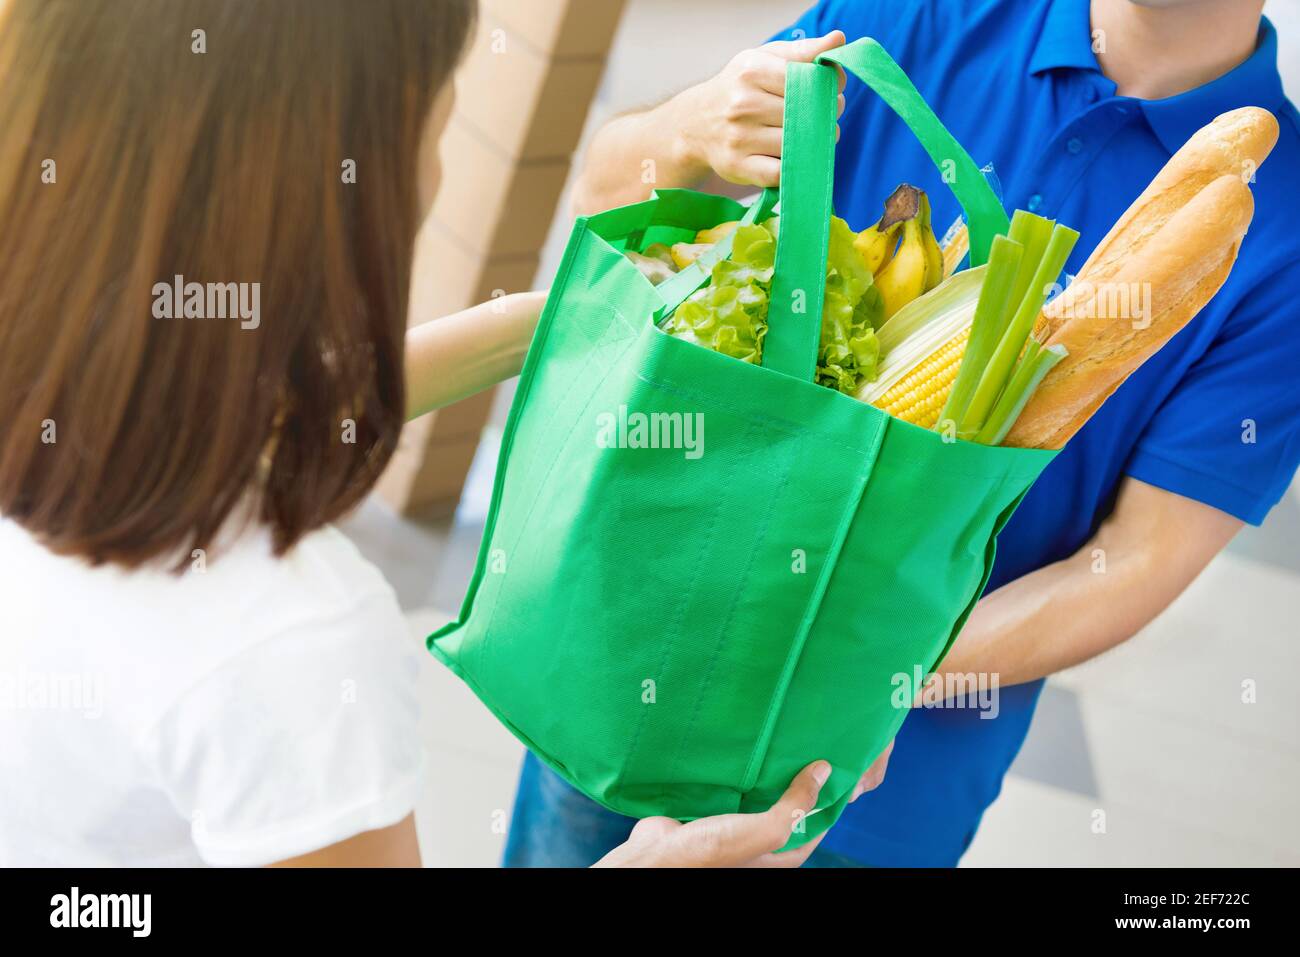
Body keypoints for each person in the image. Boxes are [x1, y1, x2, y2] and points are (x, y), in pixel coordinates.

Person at [0, 0, 840, 868]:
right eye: (431, 127)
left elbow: (270, 419)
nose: (435, 176)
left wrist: (551, 320)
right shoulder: (292, 648)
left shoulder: (67, 420)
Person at [505, 0, 1300, 867]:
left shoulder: (1284, 235)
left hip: (876, 775)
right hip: (644, 656)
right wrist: (688, 130)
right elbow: (609, 193)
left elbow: (1136, 563)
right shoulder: (916, 17)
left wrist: (853, 662)